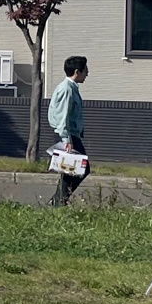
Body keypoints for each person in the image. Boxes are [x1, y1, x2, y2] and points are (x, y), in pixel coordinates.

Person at [49, 55, 89, 206]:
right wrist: (66, 140)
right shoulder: (67, 89)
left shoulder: (71, 88)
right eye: (86, 71)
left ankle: (58, 201)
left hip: (71, 135)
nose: (87, 74)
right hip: (68, 135)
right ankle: (58, 202)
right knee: (76, 169)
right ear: (77, 72)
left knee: (71, 170)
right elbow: (62, 115)